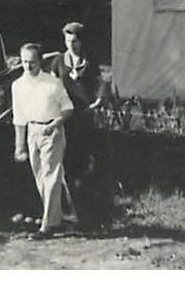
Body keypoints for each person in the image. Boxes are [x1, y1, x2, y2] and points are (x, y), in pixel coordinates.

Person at [12, 41, 74, 239]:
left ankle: (47, 226)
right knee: (41, 177)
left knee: (51, 176)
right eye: (24, 62)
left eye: (32, 62)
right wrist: (19, 146)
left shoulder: (52, 83)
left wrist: (55, 124)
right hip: (32, 131)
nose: (28, 66)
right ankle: (57, 218)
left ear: (40, 61)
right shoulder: (17, 85)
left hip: (52, 131)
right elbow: (19, 117)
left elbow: (68, 108)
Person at [51, 21, 107, 229]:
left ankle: (88, 213)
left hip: (85, 117)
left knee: (85, 163)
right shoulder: (59, 61)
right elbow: (53, 86)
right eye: (68, 41)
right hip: (66, 118)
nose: (71, 46)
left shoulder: (90, 61)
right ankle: (70, 211)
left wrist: (97, 102)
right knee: (68, 164)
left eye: (75, 41)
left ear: (81, 41)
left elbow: (101, 84)